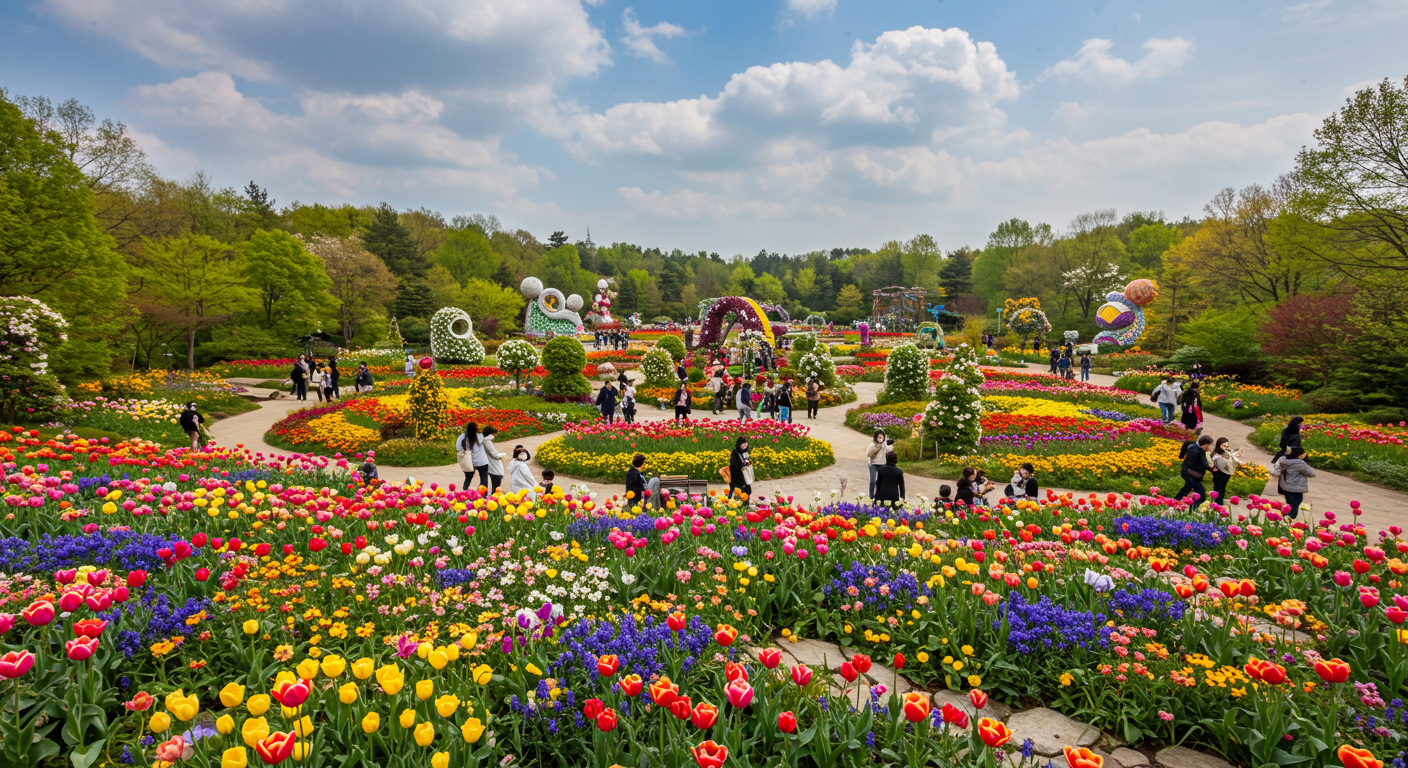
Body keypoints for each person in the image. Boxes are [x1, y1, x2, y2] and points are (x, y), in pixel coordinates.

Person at [1174, 434, 1214, 510]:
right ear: (1205, 445)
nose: (1211, 447)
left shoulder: (1201, 451)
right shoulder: (1195, 451)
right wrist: (1189, 476)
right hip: (1192, 476)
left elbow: (1202, 463)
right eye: (1210, 445)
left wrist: (1211, 469)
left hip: (1194, 476)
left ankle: (1174, 503)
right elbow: (1188, 464)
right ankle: (1193, 509)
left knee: (1185, 491)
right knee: (1201, 494)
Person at [1274, 447, 1315, 519]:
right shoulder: (1300, 463)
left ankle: (1285, 517)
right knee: (1295, 504)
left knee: (1289, 504)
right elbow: (1312, 474)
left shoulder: (1283, 460)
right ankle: (1290, 519)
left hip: (1285, 487)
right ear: (1300, 455)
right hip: (1296, 488)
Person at [456, 423, 488, 491]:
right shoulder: (480, 436)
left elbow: (458, 447)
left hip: (469, 462)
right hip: (482, 461)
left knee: (468, 478)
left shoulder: (462, 436)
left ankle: (465, 492)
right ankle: (483, 494)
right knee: (484, 479)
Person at [1210, 437, 1243, 503]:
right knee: (1217, 489)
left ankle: (1220, 502)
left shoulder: (1228, 453)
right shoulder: (1215, 454)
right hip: (1218, 473)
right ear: (1219, 445)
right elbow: (1211, 464)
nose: (1225, 448)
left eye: (1227, 446)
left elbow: (1231, 461)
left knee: (1222, 488)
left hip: (1227, 473)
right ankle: (1216, 503)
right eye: (1223, 446)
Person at [728, 436, 753, 501]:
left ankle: (745, 502)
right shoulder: (735, 452)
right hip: (736, 475)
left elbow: (747, 461)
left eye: (746, 443)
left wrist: (748, 464)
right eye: (743, 443)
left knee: (747, 490)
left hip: (745, 474)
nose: (745, 445)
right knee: (737, 491)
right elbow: (734, 462)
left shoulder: (745, 452)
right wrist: (741, 466)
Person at [481, 425, 504, 493]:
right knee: (496, 484)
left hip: (490, 463)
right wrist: (502, 454)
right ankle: (493, 497)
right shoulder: (487, 441)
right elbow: (494, 454)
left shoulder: (484, 441)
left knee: (495, 484)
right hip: (493, 464)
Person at [866, 430, 888, 499]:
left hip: (882, 464)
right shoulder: (872, 445)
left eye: (882, 437)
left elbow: (888, 453)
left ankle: (879, 495)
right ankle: (871, 496)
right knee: (873, 480)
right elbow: (869, 454)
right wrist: (877, 446)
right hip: (873, 464)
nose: (881, 439)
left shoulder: (885, 445)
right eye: (879, 437)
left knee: (881, 481)